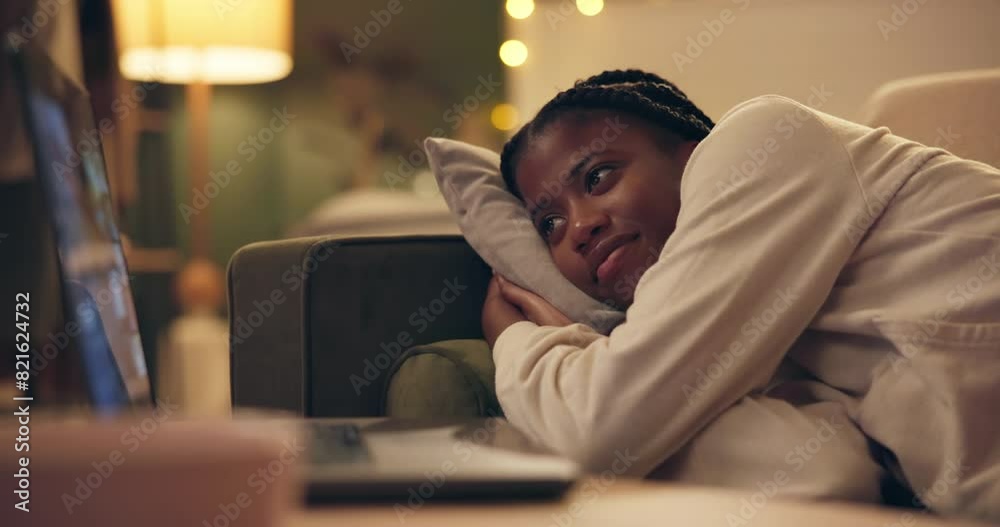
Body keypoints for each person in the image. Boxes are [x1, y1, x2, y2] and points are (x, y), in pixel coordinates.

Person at [481, 69, 1000, 519]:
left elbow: (598, 430)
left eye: (598, 177)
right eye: (550, 223)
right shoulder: (764, 330)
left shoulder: (764, 137)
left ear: (692, 154)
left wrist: (517, 339)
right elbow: (826, 475)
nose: (580, 228)